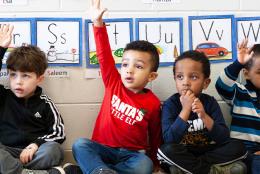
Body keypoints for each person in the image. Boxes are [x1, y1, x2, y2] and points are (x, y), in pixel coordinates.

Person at [64, 0, 162, 173]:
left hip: (131, 156)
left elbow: (155, 136)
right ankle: (101, 169)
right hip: (102, 149)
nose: (129, 70)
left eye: (138, 66)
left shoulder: (153, 103)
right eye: (125, 64)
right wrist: (97, 24)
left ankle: (98, 171)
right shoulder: (113, 83)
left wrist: (155, 163)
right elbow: (104, 55)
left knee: (144, 165)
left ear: (151, 76)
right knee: (80, 145)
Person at [157, 50, 247, 174]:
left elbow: (224, 138)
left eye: (193, 77)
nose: (185, 82)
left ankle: (190, 169)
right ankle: (212, 170)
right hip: (183, 151)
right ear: (175, 80)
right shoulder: (170, 104)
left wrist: (204, 116)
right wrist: (185, 109)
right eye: (180, 77)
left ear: (205, 83)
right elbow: (169, 139)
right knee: (166, 150)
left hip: (208, 151)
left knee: (239, 147)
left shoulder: (210, 102)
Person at [0, 24, 66, 174]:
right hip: (6, 151)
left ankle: (14, 170)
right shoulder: (3, 96)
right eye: (13, 75)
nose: (18, 81)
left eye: (26, 76)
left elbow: (59, 132)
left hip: (35, 153)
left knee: (54, 150)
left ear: (39, 79)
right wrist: (0, 49)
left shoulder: (45, 103)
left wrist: (35, 144)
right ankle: (29, 172)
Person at [215, 39, 260, 174]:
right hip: (240, 153)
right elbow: (221, 85)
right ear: (247, 74)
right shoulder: (240, 92)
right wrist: (239, 63)